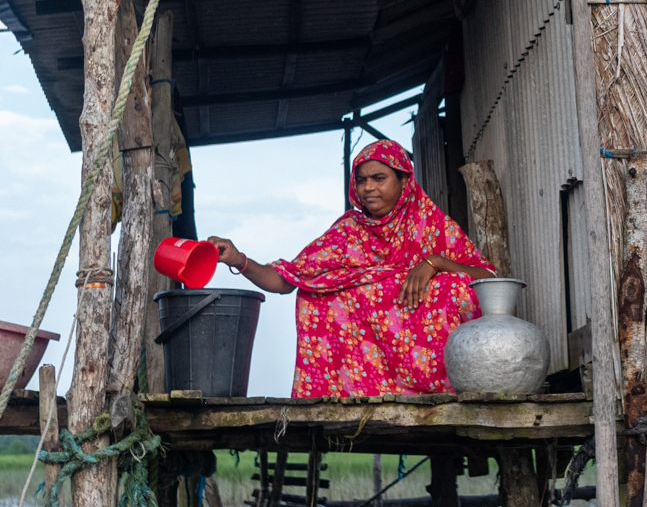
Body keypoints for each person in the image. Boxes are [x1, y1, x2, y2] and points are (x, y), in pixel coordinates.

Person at [211, 140, 495, 398]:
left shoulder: (430, 223)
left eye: (379, 178)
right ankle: (358, 388)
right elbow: (287, 280)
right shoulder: (348, 233)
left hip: (434, 369)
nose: (368, 187)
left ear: (404, 181)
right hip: (365, 378)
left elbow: (490, 280)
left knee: (457, 285)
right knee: (316, 293)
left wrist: (435, 263)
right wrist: (239, 260)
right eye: (361, 180)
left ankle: (446, 382)